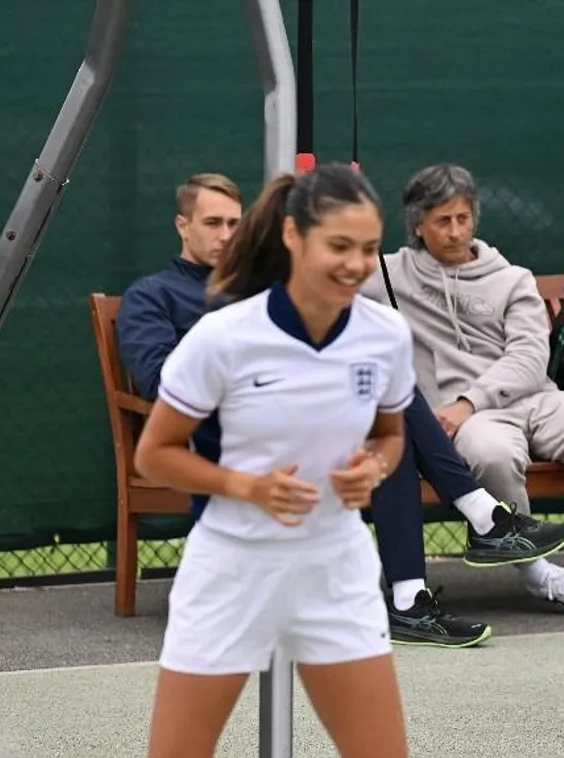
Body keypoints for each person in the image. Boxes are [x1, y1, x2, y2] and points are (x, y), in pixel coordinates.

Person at [116, 172, 513, 649]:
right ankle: (478, 516)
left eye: (233, 224)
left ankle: (411, 598)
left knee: (392, 434)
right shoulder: (158, 298)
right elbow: (160, 382)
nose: (224, 235)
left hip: (316, 443)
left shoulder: (277, 296)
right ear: (183, 225)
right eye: (212, 223)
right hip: (224, 442)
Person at [132, 164, 414, 757]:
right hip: (232, 567)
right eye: (338, 246)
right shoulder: (222, 336)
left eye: (368, 249)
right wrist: (246, 486)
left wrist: (374, 469)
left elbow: (390, 436)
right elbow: (154, 455)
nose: (356, 264)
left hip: (337, 567)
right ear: (292, 235)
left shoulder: (386, 334)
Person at [359, 163, 564, 618]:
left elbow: (530, 358)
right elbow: (327, 273)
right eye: (442, 220)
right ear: (417, 225)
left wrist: (470, 400)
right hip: (473, 423)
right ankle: (541, 576)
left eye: (463, 217)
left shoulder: (511, 278)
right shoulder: (390, 276)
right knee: (490, 453)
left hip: (537, 400)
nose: (456, 231)